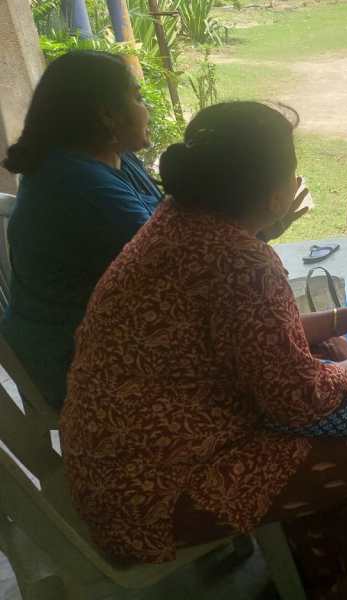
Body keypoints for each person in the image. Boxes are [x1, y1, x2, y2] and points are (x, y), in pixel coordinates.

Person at [60, 102, 347, 600]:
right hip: (155, 498)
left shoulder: (175, 222)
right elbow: (300, 400)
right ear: (275, 195)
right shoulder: (240, 260)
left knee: (325, 371)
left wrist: (345, 318)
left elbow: (252, 335)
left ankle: (323, 568)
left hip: (115, 468)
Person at [1, 52, 310, 410]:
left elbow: (190, 234)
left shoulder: (112, 158)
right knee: (276, 383)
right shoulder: (81, 188)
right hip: (80, 368)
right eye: (137, 97)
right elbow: (189, 267)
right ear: (106, 113)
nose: (145, 108)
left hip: (115, 343)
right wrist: (259, 223)